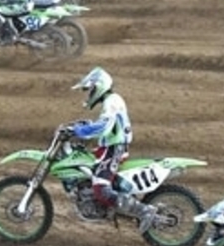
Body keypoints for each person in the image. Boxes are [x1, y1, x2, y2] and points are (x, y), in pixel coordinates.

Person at [68, 66, 158, 232]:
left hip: (114, 148)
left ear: (99, 86)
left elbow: (104, 126)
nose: (89, 93)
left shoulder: (112, 101)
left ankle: (144, 211)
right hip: (109, 147)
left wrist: (79, 131)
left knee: (101, 189)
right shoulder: (111, 100)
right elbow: (106, 123)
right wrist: (85, 125)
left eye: (91, 89)